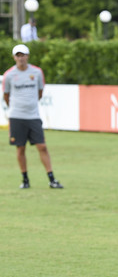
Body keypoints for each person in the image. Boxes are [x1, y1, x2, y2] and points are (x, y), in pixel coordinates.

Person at [3, 44, 63, 189]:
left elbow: (40, 92)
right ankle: (25, 179)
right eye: (18, 55)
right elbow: (6, 95)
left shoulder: (36, 72)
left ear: (27, 56)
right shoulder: (9, 75)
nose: (21, 58)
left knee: (42, 146)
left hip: (33, 116)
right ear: (14, 57)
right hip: (17, 116)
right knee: (20, 148)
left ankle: (51, 178)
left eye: (23, 55)